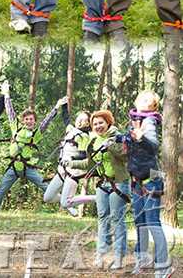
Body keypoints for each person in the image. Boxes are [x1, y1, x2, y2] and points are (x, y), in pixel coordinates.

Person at [0, 89, 67, 229]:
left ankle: (66, 202)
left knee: (46, 188)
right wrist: (7, 94)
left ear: (34, 121)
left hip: (28, 168)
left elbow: (46, 121)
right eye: (26, 119)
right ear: (23, 120)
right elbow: (10, 111)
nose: (29, 121)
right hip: (13, 168)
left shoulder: (36, 133)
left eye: (31, 119)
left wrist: (56, 107)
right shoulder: (16, 128)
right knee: (0, 193)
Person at [67, 110, 129, 270]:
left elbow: (126, 155)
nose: (98, 126)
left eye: (101, 122)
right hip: (102, 183)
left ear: (108, 122)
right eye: (95, 124)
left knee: (117, 219)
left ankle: (118, 257)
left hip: (119, 183)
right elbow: (89, 162)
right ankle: (101, 255)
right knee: (102, 218)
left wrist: (111, 146)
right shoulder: (93, 141)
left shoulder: (118, 137)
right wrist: (72, 163)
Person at [122, 92, 172, 277]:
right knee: (140, 222)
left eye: (149, 101)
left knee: (152, 222)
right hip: (137, 180)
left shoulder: (149, 122)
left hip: (152, 178)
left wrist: (141, 137)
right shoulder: (135, 121)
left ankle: (164, 267)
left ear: (153, 107)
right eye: (142, 99)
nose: (144, 102)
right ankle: (142, 261)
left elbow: (153, 146)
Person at [43, 111, 90, 216]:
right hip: (61, 170)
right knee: (48, 197)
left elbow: (84, 155)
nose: (80, 121)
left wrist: (71, 158)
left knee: (65, 203)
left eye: (84, 120)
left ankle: (97, 198)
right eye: (79, 118)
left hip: (73, 172)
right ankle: (68, 202)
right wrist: (63, 103)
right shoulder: (71, 130)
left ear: (87, 124)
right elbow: (66, 118)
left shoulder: (84, 136)